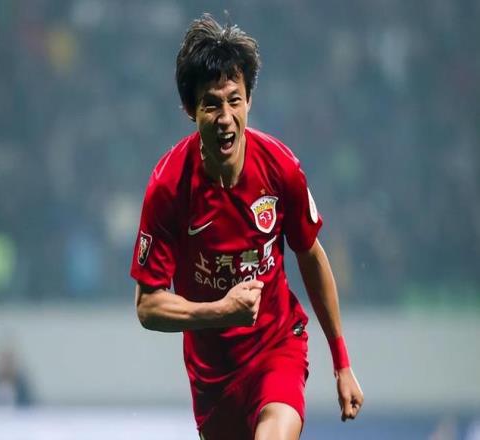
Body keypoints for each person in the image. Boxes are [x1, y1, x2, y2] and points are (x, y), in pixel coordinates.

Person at [131, 13, 363, 440]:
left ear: (249, 101)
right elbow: (147, 306)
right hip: (212, 377)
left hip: (278, 348)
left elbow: (310, 254)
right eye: (211, 104)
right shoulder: (168, 187)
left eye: (234, 100)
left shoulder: (281, 168)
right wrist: (222, 311)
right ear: (190, 110)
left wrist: (342, 362)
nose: (225, 117)